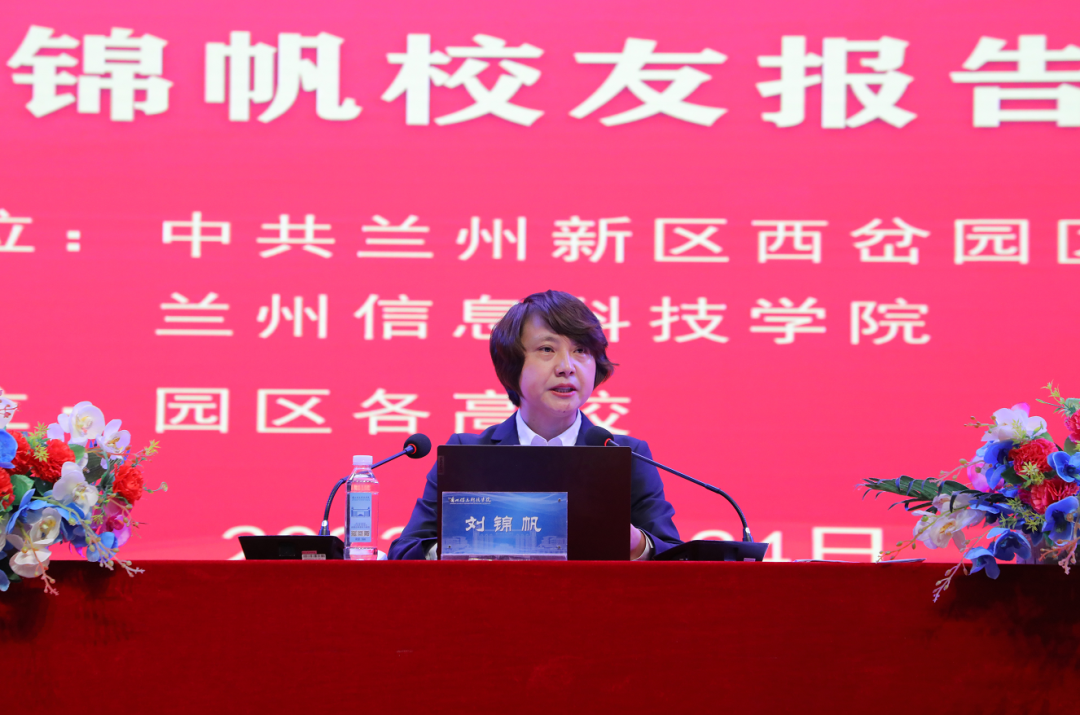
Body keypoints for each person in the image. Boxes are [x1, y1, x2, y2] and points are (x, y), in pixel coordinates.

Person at [388, 290, 681, 560]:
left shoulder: (626, 455)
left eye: (581, 350)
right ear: (512, 365)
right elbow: (404, 551)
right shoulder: (466, 454)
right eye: (547, 349)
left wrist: (635, 542)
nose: (567, 367)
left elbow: (677, 557)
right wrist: (458, 545)